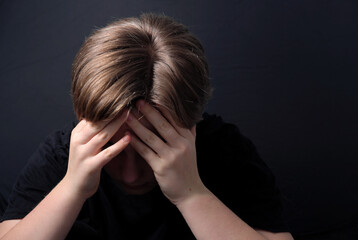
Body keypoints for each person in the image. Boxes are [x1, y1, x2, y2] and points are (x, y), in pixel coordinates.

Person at [0, 14, 293, 240]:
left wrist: (191, 195)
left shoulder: (224, 149)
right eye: (112, 149)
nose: (131, 175)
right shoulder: (63, 153)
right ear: (82, 117)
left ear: (193, 122)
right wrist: (72, 189)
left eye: (153, 149)